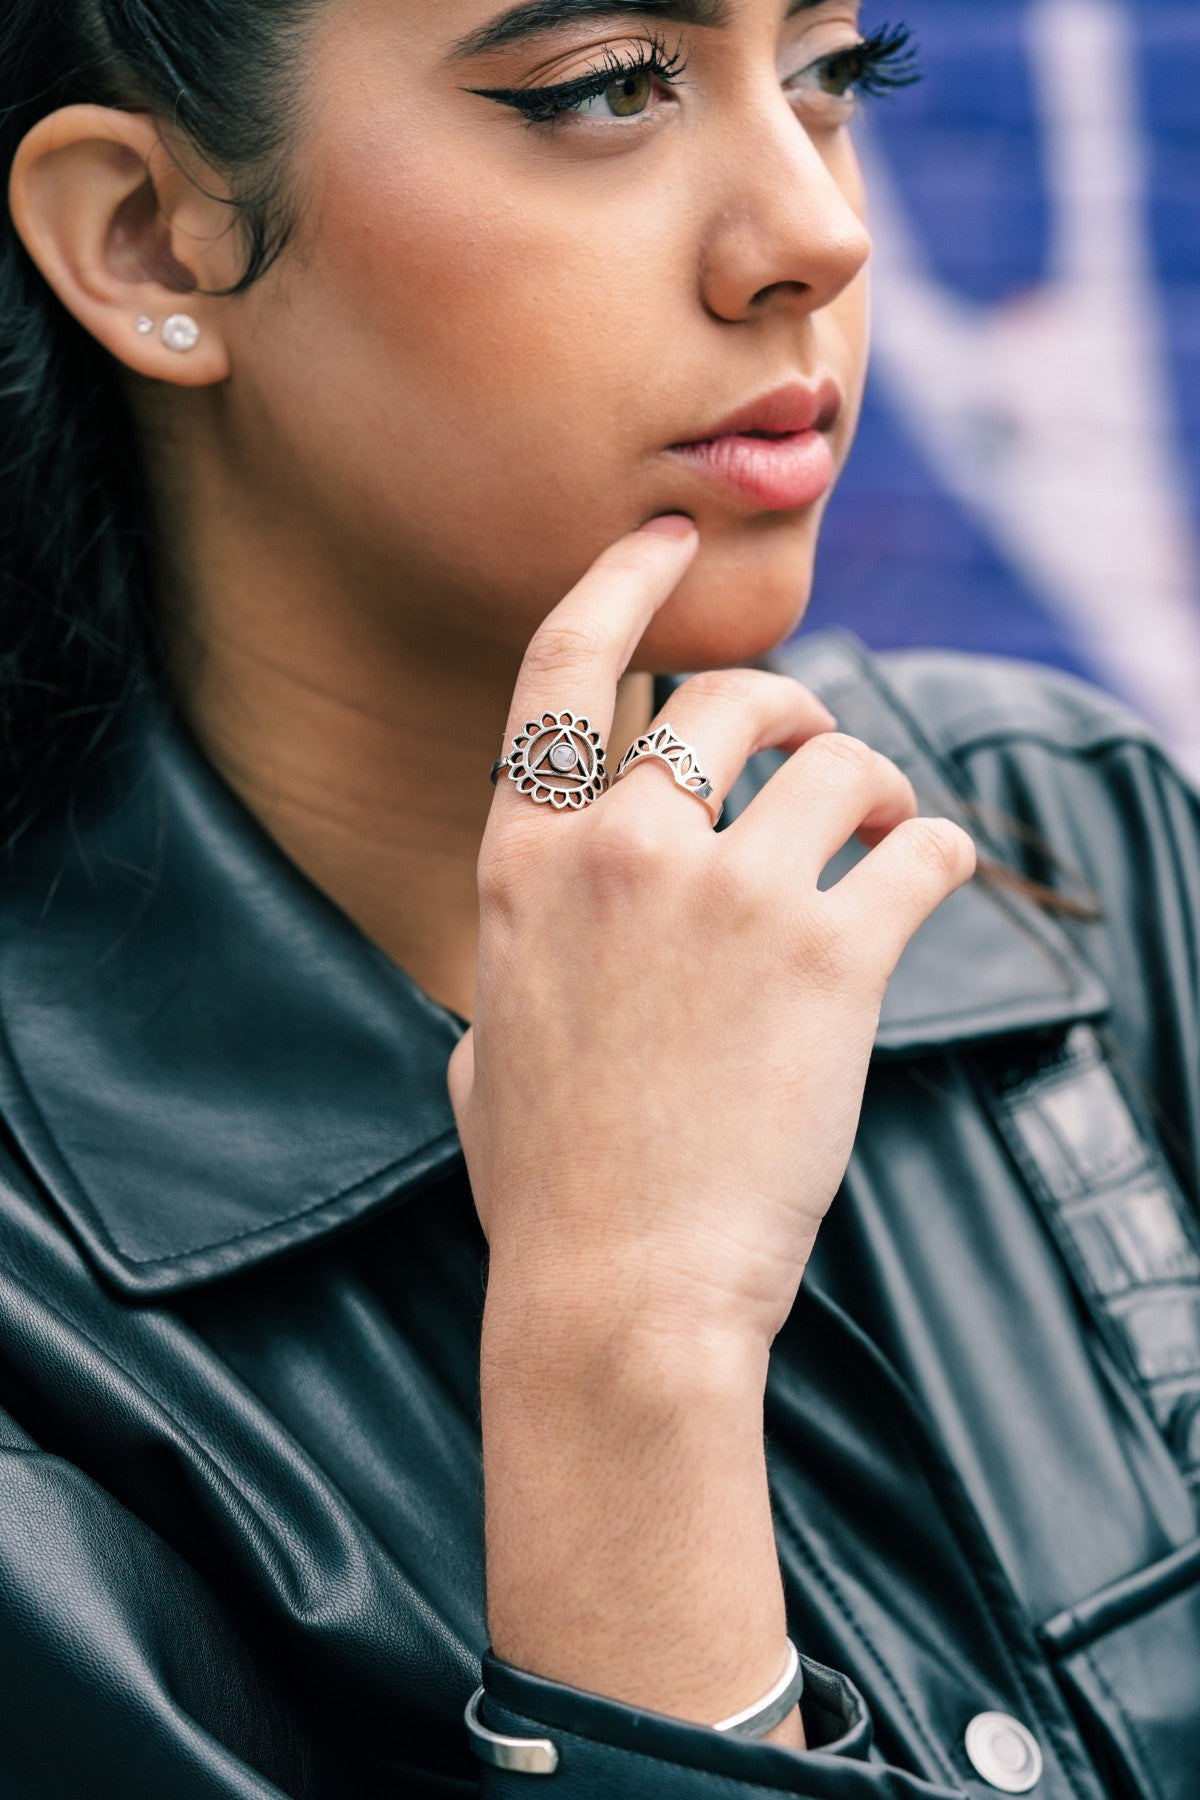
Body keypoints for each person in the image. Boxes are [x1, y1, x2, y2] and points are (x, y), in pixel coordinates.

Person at [1, 1, 1198, 1795]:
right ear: (150, 235)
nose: (817, 230)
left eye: (831, 75)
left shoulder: (1075, 841)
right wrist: (626, 1350)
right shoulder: (43, 1348)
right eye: (607, 89)